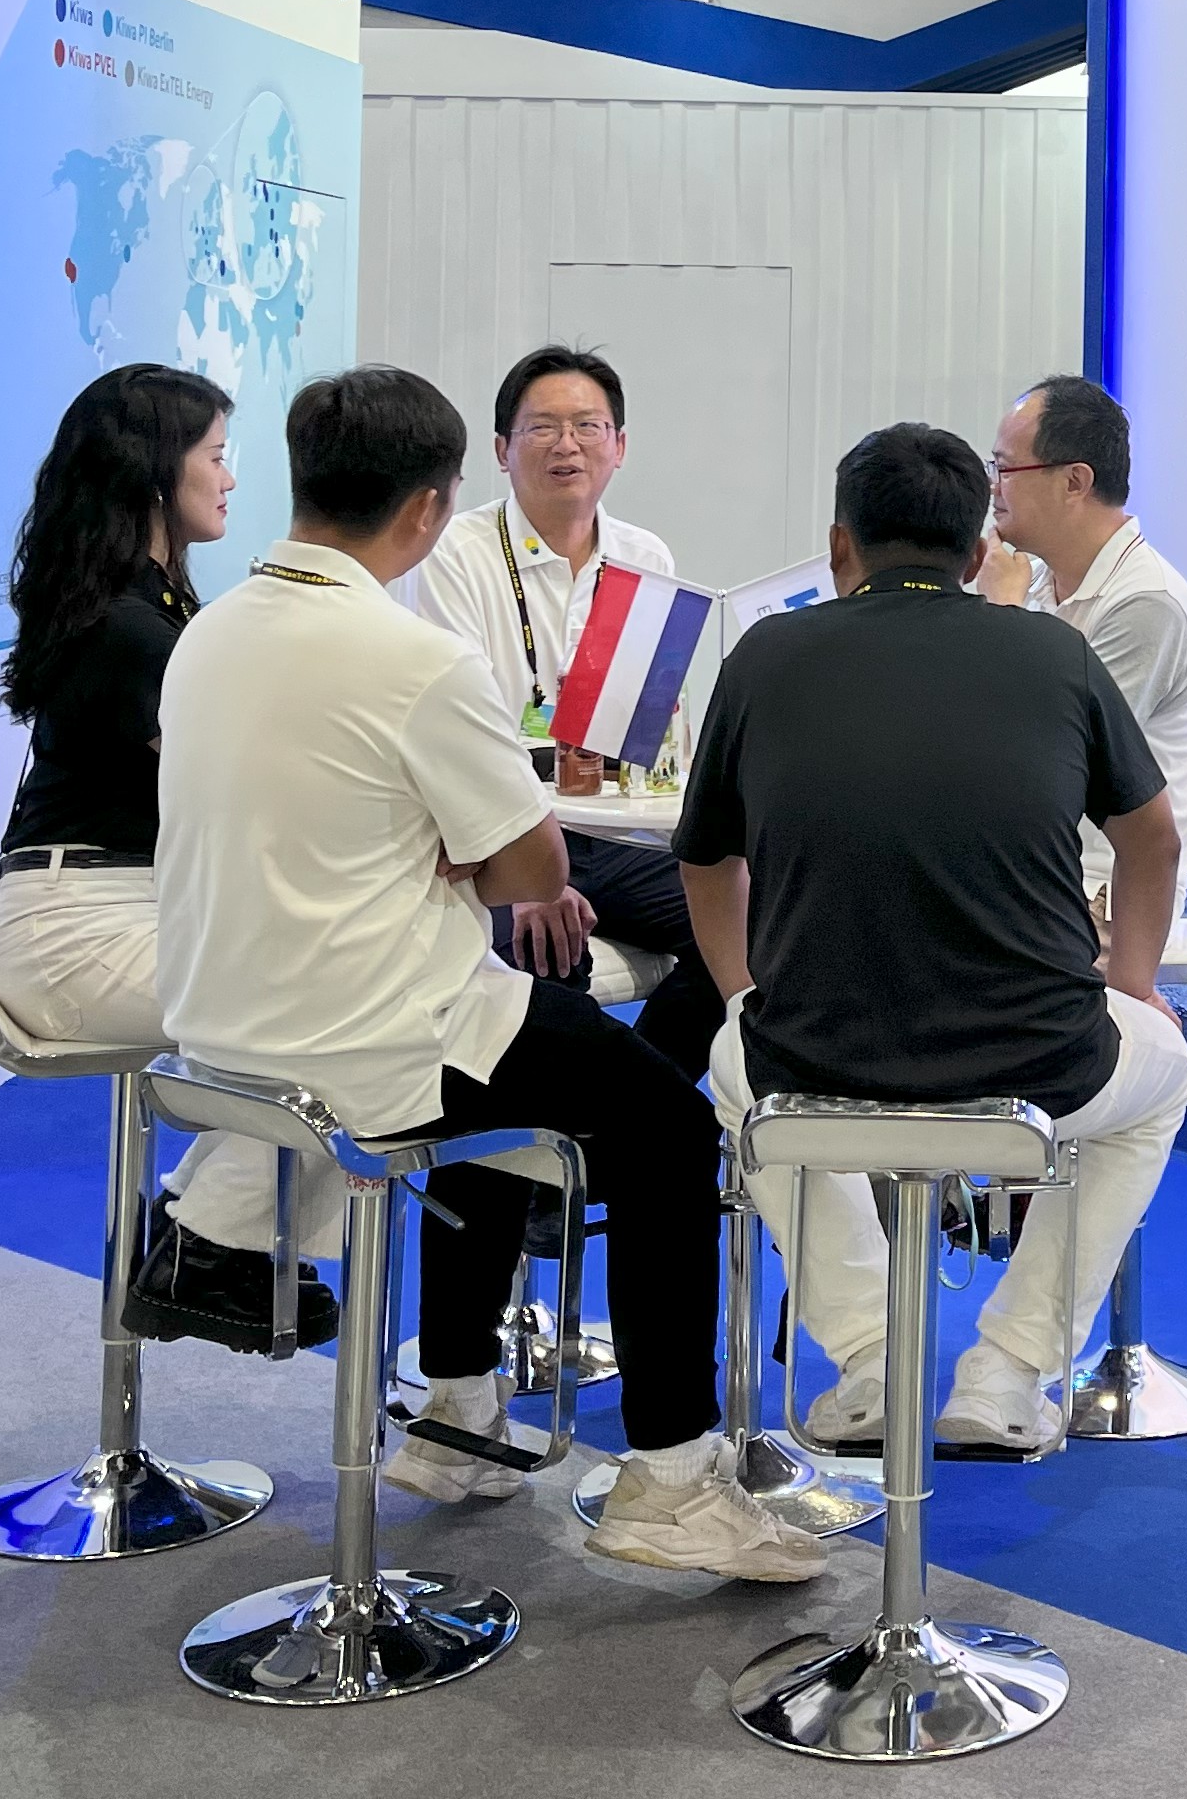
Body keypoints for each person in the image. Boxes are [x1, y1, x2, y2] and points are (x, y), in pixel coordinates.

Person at [152, 363, 817, 1580]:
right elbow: (527, 867)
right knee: (669, 1128)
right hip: (380, 1037)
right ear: (432, 506)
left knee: (531, 1054)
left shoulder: (211, 631)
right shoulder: (409, 656)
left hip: (222, 1033)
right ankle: (672, 1482)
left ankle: (457, 1410)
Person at [680, 421, 1187, 1458]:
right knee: (1164, 1075)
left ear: (840, 546)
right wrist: (1134, 986)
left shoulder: (765, 655)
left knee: (739, 1066)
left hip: (815, 1060)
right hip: (1038, 1064)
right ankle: (1006, 1373)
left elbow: (704, 863)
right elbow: (1154, 838)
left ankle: (870, 1358)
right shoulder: (1055, 653)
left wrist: (744, 994)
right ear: (977, 552)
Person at [0, 365, 320, 1352]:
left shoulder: (148, 607)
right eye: (215, 456)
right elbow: (244, 794)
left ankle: (195, 1233)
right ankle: (200, 1245)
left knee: (337, 999)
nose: (231, 479)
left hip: (117, 907)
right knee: (345, 1012)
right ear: (155, 471)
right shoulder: (133, 631)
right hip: (76, 933)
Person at [403, 344, 723, 1077]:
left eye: (587, 426)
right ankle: (573, 1135)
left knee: (752, 927)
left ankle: (638, 1099)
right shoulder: (457, 553)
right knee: (547, 961)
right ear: (502, 449)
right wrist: (534, 878)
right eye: (542, 427)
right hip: (497, 838)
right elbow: (459, 738)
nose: (567, 445)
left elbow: (643, 730)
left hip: (614, 833)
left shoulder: (646, 557)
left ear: (619, 446)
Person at [985, 374, 1187, 933]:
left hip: (1096, 899)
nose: (993, 488)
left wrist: (1001, 616)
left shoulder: (1145, 602)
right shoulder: (1036, 579)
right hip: (1036, 878)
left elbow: (1044, 762)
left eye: (1006, 470)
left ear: (1074, 482)